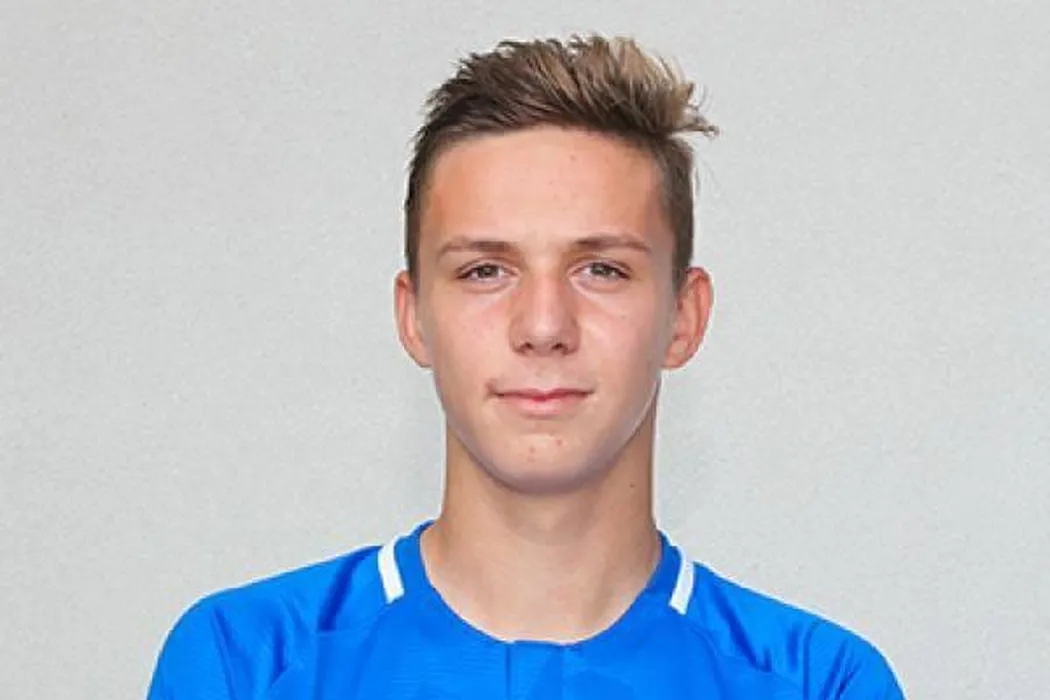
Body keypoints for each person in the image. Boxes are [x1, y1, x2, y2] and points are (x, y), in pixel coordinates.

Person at [147, 34, 904, 699]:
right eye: (485, 271)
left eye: (602, 269)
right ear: (414, 316)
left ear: (684, 316)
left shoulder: (822, 684)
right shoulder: (243, 667)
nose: (543, 326)